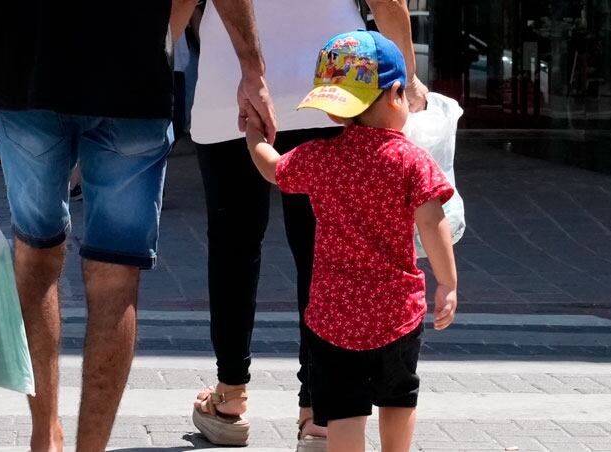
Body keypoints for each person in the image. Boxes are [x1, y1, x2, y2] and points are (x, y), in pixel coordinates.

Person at [0, 0, 275, 450]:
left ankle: (44, 435)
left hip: (25, 70)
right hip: (131, 78)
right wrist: (251, 68)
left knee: (36, 254)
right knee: (114, 276)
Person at [178, 0, 429, 447]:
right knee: (325, 251)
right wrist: (405, 82)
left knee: (233, 247)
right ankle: (318, 415)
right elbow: (388, 3)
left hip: (231, 80)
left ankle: (231, 396)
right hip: (338, 85)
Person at [244, 30, 458, 452]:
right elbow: (433, 221)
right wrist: (447, 282)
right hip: (396, 310)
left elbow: (272, 169)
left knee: (343, 411)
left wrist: (254, 133)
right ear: (396, 95)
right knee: (398, 398)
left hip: (333, 313)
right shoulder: (411, 160)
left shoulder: (321, 158)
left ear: (336, 110)